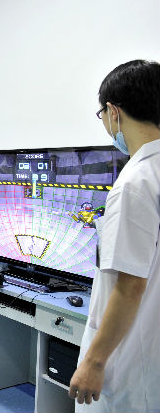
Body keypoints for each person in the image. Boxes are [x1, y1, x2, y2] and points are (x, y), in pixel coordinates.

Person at [68, 60, 160, 412]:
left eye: (102, 115)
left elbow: (130, 285)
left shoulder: (135, 183)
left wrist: (94, 362)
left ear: (113, 112)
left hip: (129, 360)